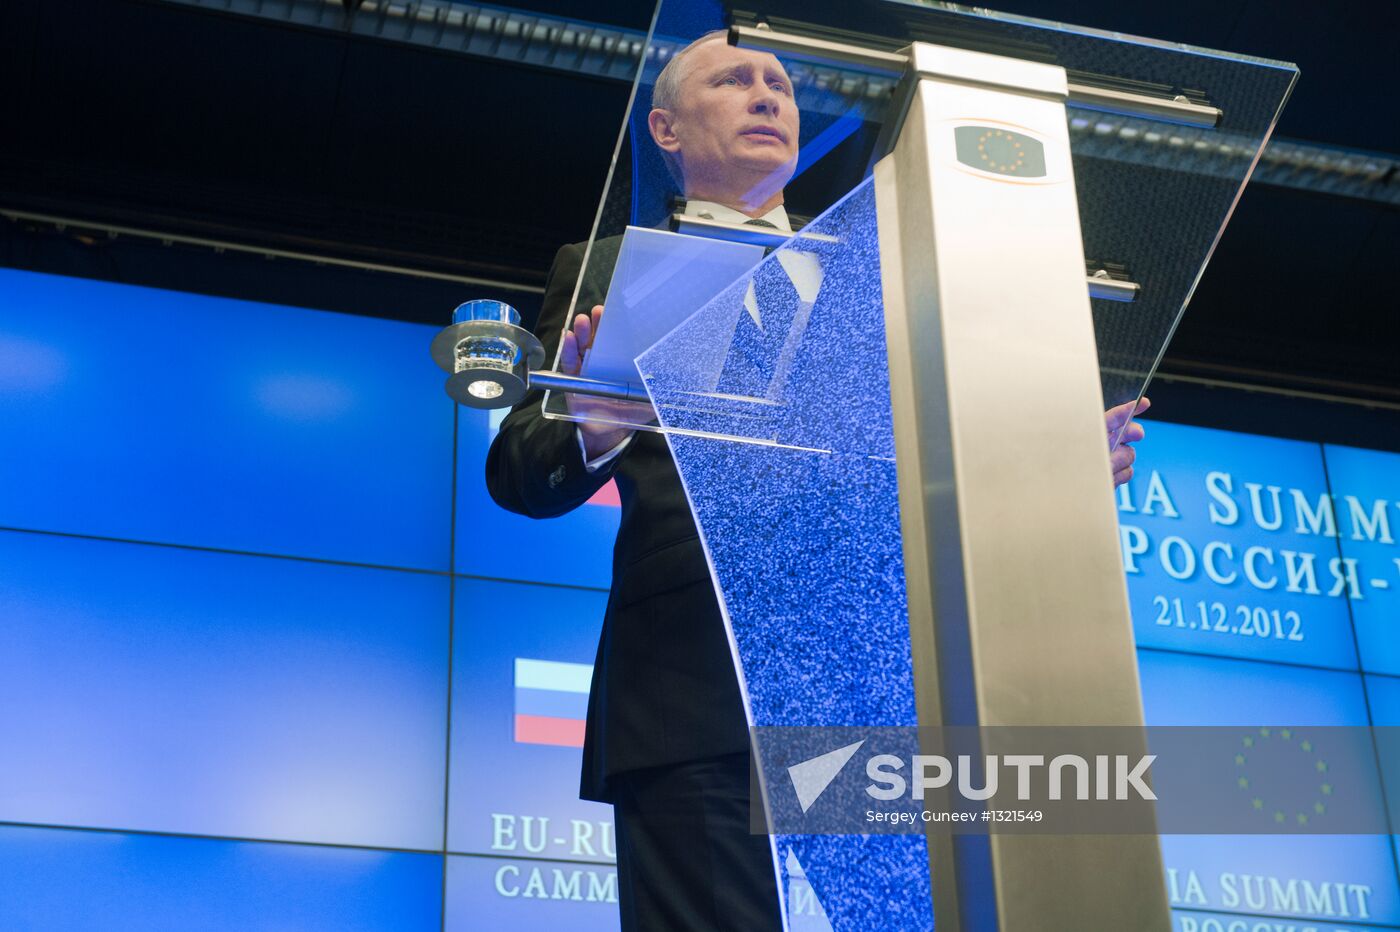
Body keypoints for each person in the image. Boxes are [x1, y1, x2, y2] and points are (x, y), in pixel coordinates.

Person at [485, 29, 1147, 932]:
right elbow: (520, 470)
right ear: (667, 129)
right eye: (734, 79)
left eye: (780, 83)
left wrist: (1044, 479)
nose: (767, 96)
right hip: (694, 686)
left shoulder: (895, 280)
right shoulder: (604, 268)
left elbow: (933, 468)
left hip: (875, 689)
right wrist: (590, 424)